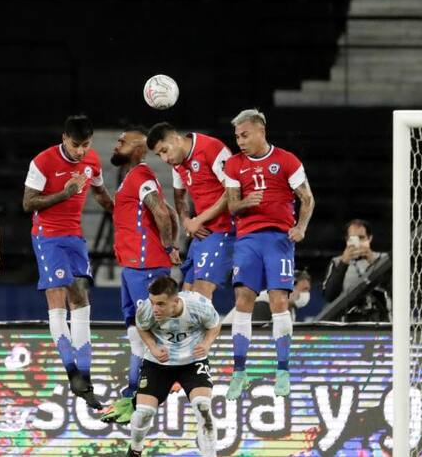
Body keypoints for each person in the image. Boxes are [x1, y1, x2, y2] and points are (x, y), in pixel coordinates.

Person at [222, 109, 315, 399]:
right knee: (243, 300)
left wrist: (300, 227)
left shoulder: (287, 160)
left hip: (279, 239)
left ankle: (283, 371)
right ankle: (239, 372)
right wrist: (246, 201)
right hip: (248, 238)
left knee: (279, 301)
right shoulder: (234, 165)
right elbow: (231, 206)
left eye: (245, 135)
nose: (240, 141)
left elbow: (307, 198)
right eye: (237, 136)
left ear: (261, 131)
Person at [22, 115, 114, 409]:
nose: (80, 152)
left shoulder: (92, 161)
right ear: (65, 139)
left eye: (85, 145)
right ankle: (72, 370)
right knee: (58, 296)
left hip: (74, 235)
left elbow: (99, 191)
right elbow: (28, 203)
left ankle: (84, 375)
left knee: (82, 298)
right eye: (76, 145)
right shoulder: (43, 162)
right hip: (47, 236)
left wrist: (117, 212)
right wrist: (65, 193)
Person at [101, 127, 181, 424]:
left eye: (122, 141)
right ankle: (133, 393)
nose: (117, 144)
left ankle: (155, 387)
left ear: (138, 149)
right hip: (133, 265)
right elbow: (169, 212)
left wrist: (170, 245)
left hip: (145, 265)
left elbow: (161, 212)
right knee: (136, 332)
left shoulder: (141, 176)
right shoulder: (133, 178)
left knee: (152, 329)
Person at [124, 276, 220, 457]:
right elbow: (141, 326)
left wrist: (206, 344)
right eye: (153, 303)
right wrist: (152, 347)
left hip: (192, 362)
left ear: (175, 301)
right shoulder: (146, 309)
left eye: (160, 304)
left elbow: (214, 326)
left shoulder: (199, 305)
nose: (155, 309)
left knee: (203, 409)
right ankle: (135, 449)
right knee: (143, 413)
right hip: (158, 363)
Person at [146, 122, 234, 300]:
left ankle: (208, 328)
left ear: (175, 138)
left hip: (225, 228)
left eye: (164, 150)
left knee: (201, 291)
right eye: (159, 154)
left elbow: (232, 193)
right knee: (186, 292)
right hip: (202, 232)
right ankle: (192, 329)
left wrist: (198, 220)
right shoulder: (177, 164)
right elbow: (179, 198)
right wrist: (186, 221)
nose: (164, 158)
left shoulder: (212, 148)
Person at [322, 219, 391, 322]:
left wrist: (374, 262)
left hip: (379, 319)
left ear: (370, 238)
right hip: (349, 322)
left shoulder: (383, 259)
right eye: (353, 238)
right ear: (347, 240)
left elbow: (393, 288)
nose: (358, 242)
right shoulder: (337, 262)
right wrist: (344, 263)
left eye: (361, 238)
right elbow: (329, 296)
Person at [223, 269, 312, 323]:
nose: (306, 295)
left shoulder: (290, 310)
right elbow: (258, 338)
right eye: (304, 289)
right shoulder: (263, 302)